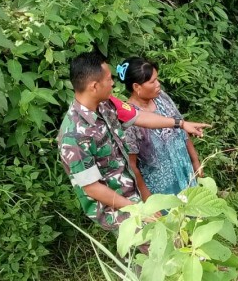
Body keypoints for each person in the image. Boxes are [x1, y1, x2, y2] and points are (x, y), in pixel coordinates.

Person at [58, 50, 208, 229]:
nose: (113, 82)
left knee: (171, 241)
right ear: (93, 86)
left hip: (133, 192)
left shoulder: (107, 103)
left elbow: (139, 117)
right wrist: (139, 209)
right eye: (108, 79)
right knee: (158, 248)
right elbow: (92, 188)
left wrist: (181, 124)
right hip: (118, 209)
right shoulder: (73, 136)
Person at [117, 57, 201, 199]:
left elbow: (182, 127)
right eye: (152, 81)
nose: (158, 84)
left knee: (195, 210)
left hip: (185, 172)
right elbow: (132, 166)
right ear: (137, 87)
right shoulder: (130, 119)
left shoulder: (161, 97)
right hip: (162, 190)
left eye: (157, 79)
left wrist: (195, 161)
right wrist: (149, 200)